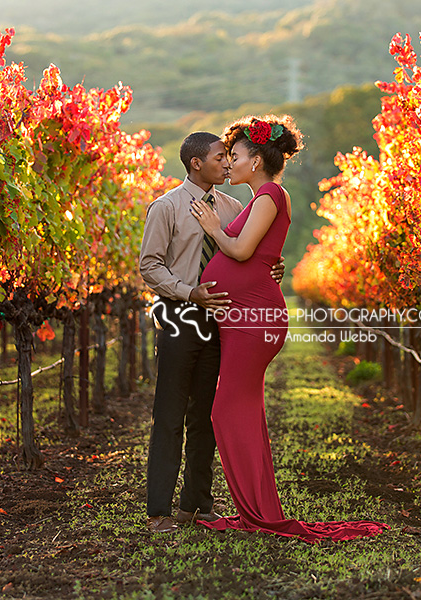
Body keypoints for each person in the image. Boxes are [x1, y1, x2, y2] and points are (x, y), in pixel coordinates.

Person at [190, 115, 388, 542]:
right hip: (243, 317)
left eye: (236, 156)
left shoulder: (269, 195)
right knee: (244, 411)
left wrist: (212, 228)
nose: (229, 164)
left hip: (253, 321)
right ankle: (257, 508)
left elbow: (242, 251)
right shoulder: (261, 197)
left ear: (257, 159)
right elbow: (260, 254)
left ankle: (257, 511)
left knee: (226, 410)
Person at [139, 132, 285, 533]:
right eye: (220, 157)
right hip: (179, 316)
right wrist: (190, 292)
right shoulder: (166, 207)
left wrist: (273, 267)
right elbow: (150, 267)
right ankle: (159, 511)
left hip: (223, 320)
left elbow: (251, 251)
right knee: (169, 413)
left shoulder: (233, 205)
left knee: (206, 414)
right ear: (195, 164)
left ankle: (197, 503)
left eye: (229, 157)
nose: (226, 163)